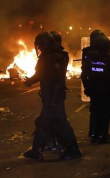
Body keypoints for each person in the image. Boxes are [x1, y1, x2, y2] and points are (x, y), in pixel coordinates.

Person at [23, 32, 82, 161]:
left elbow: (42, 75)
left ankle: (73, 150)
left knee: (59, 123)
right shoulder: (59, 55)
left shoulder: (48, 58)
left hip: (52, 95)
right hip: (55, 94)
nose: (38, 48)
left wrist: (30, 81)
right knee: (44, 122)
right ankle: (36, 151)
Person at [81, 34, 110, 144]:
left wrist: (87, 87)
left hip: (93, 88)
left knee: (94, 111)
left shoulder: (89, 57)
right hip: (106, 88)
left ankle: (93, 134)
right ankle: (103, 135)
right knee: (105, 112)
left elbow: (84, 74)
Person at [81, 29, 105, 138]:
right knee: (101, 110)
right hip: (99, 84)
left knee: (96, 109)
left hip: (95, 84)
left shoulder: (88, 52)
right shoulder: (90, 52)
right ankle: (99, 133)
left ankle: (94, 132)